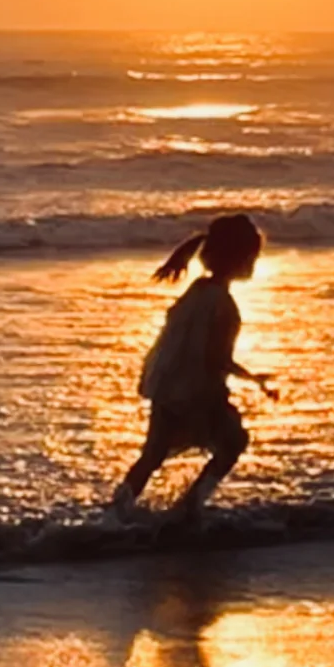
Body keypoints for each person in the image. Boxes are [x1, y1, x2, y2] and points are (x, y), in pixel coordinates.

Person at [110, 212, 278, 522]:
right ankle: (191, 505)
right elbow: (216, 359)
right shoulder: (225, 306)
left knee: (152, 455)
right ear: (242, 258)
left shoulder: (197, 292)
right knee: (234, 442)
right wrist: (253, 379)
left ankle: (116, 511)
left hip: (168, 388)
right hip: (197, 393)